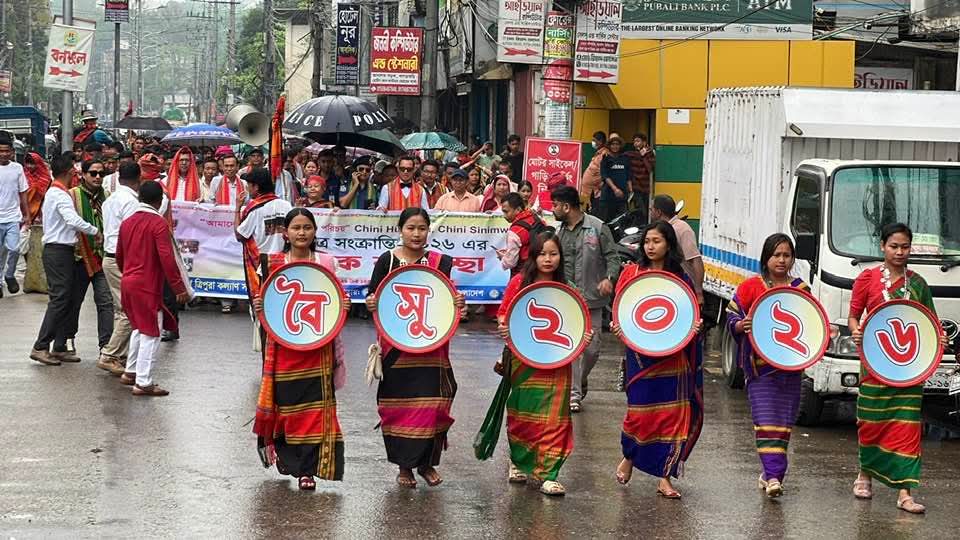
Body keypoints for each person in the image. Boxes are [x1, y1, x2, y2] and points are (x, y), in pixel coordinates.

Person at [848, 223, 947, 514]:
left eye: (905, 247)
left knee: (906, 428)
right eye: (894, 246)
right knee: (871, 424)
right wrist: (856, 332)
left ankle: (905, 492)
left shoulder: (918, 284)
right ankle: (864, 474)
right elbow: (854, 318)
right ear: (882, 247)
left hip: (908, 373)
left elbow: (929, 323)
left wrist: (938, 337)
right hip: (874, 367)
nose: (900, 252)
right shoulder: (866, 280)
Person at [365, 208, 465, 488]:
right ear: (400, 229)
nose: (416, 234)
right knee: (400, 407)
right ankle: (404, 467)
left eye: (422, 228)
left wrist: (458, 304)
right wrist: (371, 302)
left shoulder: (440, 262)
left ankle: (427, 464)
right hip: (398, 349)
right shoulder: (387, 261)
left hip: (432, 349)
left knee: (433, 405)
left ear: (428, 231)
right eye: (411, 228)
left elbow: (447, 298)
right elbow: (374, 296)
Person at [252, 208, 349, 490]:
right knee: (288, 410)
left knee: (315, 412)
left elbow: (336, 300)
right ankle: (287, 459)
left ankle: (307, 471)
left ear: (315, 231)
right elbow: (265, 303)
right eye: (296, 227)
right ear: (286, 232)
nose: (302, 232)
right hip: (284, 351)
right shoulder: (270, 263)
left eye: (307, 227)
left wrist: (343, 307)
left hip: (319, 351)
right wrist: (259, 307)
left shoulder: (327, 262)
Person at [611, 221, 704, 499]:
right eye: (647, 241)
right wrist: (618, 328)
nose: (651, 247)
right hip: (640, 359)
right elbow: (621, 311)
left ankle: (664, 477)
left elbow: (689, 314)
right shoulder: (632, 274)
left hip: (673, 359)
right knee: (639, 416)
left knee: (671, 418)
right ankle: (630, 456)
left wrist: (694, 329)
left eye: (657, 241)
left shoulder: (681, 279)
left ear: (669, 245)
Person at [495, 230, 591, 496]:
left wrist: (584, 336)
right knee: (522, 413)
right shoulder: (518, 284)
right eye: (542, 254)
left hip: (557, 363)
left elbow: (578, 322)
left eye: (553, 254)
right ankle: (518, 460)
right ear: (533, 257)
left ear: (560, 257)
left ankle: (550, 473)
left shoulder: (568, 290)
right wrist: (504, 326)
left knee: (555, 417)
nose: (548, 260)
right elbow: (504, 314)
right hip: (524, 360)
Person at [726, 233, 809, 498]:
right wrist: (741, 325)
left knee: (784, 423)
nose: (781, 260)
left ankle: (770, 473)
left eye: (786, 255)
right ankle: (773, 476)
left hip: (790, 370)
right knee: (766, 420)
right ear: (766, 258)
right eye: (776, 255)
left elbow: (811, 324)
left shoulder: (801, 290)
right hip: (759, 369)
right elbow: (732, 316)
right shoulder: (750, 288)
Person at [116, 180, 190, 396]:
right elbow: (167, 259)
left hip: (128, 281)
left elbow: (120, 255)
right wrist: (179, 288)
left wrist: (128, 273)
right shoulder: (158, 223)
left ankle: (130, 371)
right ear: (159, 202)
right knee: (151, 332)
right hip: (146, 284)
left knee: (139, 327)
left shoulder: (127, 222)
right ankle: (144, 381)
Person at [550, 185, 619, 412]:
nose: (553, 209)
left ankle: (581, 379)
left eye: (556, 205)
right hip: (566, 300)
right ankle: (574, 395)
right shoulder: (557, 233)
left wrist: (609, 278)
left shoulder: (598, 228)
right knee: (573, 347)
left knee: (591, 350)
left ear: (567, 206)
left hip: (592, 299)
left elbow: (612, 257)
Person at [29, 153, 100, 366]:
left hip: (62, 250)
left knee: (66, 298)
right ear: (70, 172)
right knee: (60, 298)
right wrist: (94, 230)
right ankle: (41, 346)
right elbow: (71, 219)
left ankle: (59, 346)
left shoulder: (57, 192)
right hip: (58, 250)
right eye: (75, 170)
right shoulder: (59, 194)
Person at [65, 159, 115, 361]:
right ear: (83, 175)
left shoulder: (109, 197)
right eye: (93, 173)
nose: (97, 177)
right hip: (79, 257)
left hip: (102, 257)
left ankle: (105, 346)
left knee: (105, 302)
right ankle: (68, 338)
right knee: (74, 301)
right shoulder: (72, 196)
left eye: (101, 174)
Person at [98, 162, 143, 377]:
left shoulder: (111, 200)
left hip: (110, 257)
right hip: (120, 259)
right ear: (138, 179)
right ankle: (109, 354)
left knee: (120, 309)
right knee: (128, 310)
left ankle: (119, 354)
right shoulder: (131, 203)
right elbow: (132, 236)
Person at [235, 168, 293, 310]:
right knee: (284, 302)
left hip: (262, 265)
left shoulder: (254, 209)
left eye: (249, 185)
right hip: (284, 261)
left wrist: (237, 209)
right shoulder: (286, 205)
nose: (248, 189)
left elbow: (240, 235)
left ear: (256, 186)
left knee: (262, 305)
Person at [650, 195, 705, 305]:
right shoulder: (660, 228)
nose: (650, 212)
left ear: (658, 212)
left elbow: (696, 260)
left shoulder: (682, 229)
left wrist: (698, 293)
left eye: (651, 209)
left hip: (684, 288)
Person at [0, 133, 28, 297]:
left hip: (12, 217)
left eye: (6, 151)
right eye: (0, 151)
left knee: (14, 248)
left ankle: (9, 275)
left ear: (11, 152)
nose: (3, 154)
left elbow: (23, 192)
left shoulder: (17, 168)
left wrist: (27, 215)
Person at [498, 192, 548, 275]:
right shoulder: (536, 218)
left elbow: (510, 262)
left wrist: (503, 257)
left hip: (523, 275)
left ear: (518, 209)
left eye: (506, 212)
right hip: (542, 272)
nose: (504, 215)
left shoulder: (514, 231)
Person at [597, 134, 632, 223]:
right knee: (605, 221)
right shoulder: (605, 159)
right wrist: (615, 189)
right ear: (609, 145)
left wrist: (631, 191)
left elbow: (628, 176)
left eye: (617, 144)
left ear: (620, 146)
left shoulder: (625, 158)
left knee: (623, 221)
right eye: (613, 144)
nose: (615, 146)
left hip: (622, 196)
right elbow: (605, 176)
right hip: (608, 196)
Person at [625, 133, 655, 213]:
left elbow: (650, 169)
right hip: (635, 187)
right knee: (638, 210)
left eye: (638, 141)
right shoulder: (631, 154)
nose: (636, 143)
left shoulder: (650, 153)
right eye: (634, 141)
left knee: (644, 210)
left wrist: (643, 156)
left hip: (645, 187)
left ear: (644, 143)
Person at [580, 131, 609, 211]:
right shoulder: (598, 154)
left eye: (594, 140)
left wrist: (601, 185)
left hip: (596, 194)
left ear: (600, 141)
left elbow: (604, 173)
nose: (592, 142)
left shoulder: (605, 154)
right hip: (587, 193)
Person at [23, 151, 51, 225]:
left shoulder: (46, 178)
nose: (29, 166)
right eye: (27, 163)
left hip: (41, 212)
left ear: (38, 164)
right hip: (24, 213)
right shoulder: (22, 176)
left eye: (32, 163)